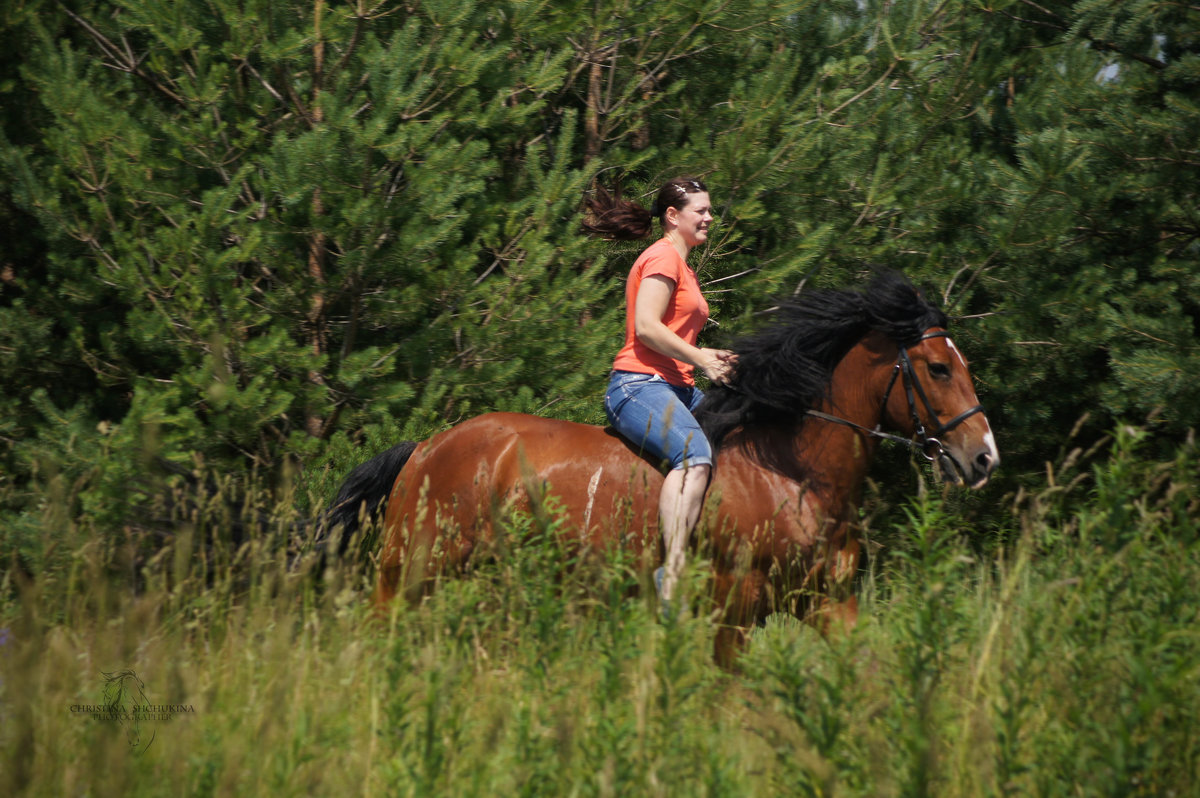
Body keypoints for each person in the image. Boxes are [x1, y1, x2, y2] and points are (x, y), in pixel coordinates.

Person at [582, 176, 736, 608]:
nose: (709, 217)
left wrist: (708, 357)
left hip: (678, 387)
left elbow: (671, 333)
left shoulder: (682, 264)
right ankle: (673, 574)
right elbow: (647, 329)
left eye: (710, 210)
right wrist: (702, 358)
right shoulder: (663, 258)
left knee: (741, 437)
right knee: (695, 454)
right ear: (673, 216)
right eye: (700, 211)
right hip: (637, 385)